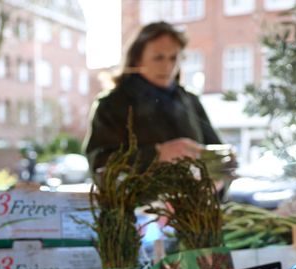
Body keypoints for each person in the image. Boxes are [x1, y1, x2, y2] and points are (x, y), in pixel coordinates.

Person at [84, 21, 223, 174]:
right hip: (139, 198)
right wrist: (156, 154)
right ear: (137, 58)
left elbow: (218, 156)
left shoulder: (190, 100)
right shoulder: (111, 104)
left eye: (173, 58)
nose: (167, 66)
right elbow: (99, 163)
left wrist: (218, 179)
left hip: (194, 197)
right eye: (158, 57)